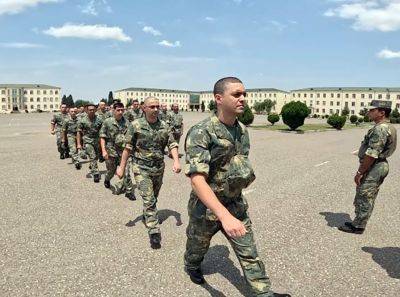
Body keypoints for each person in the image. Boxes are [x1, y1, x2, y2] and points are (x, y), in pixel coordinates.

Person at [184, 77, 290, 297]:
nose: (243, 99)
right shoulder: (202, 131)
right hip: (206, 208)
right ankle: (192, 265)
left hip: (234, 202)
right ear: (219, 98)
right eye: (236, 94)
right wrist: (223, 216)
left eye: (244, 94)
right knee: (197, 247)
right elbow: (197, 179)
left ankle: (263, 293)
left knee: (249, 251)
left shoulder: (242, 130)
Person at [116, 97, 181, 249]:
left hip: (158, 168)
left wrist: (177, 160)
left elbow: (172, 144)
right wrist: (121, 167)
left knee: (154, 197)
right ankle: (154, 231)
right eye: (152, 106)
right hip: (141, 168)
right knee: (148, 198)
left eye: (157, 106)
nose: (156, 109)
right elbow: (128, 147)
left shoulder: (165, 125)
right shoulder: (135, 125)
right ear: (144, 108)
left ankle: (147, 214)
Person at [338, 100, 397, 234]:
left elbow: (372, 154)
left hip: (374, 166)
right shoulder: (386, 126)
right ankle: (358, 221)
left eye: (372, 110)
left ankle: (358, 226)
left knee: (365, 195)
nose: (369, 112)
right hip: (376, 164)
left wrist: (360, 172)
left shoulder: (381, 128)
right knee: (366, 195)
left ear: (382, 113)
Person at [100, 102, 135, 200]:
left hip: (123, 152)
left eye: (122, 110)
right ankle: (107, 179)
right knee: (111, 171)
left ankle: (129, 191)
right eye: (118, 110)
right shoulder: (107, 122)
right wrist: (103, 151)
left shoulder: (127, 123)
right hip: (111, 151)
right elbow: (102, 137)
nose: (120, 112)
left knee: (127, 171)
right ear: (113, 110)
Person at [77, 104, 103, 183]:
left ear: (95, 110)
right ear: (87, 111)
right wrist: (79, 144)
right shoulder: (82, 120)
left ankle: (92, 165)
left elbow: (103, 131)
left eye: (93, 110)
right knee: (93, 156)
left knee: (96, 157)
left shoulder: (99, 119)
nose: (92, 111)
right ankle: (96, 173)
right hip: (88, 140)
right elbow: (78, 132)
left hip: (97, 141)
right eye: (90, 110)